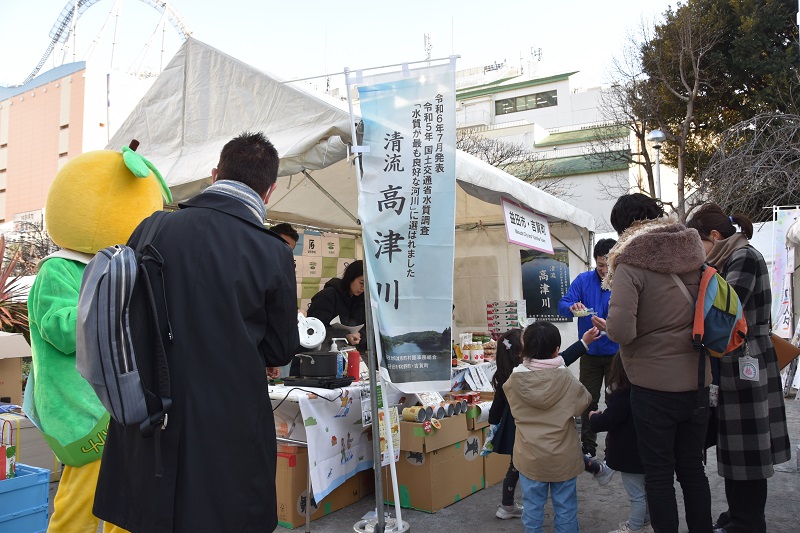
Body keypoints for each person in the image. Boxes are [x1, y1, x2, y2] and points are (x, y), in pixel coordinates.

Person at [93, 132, 300, 532]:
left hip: (150, 408)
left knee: (152, 516)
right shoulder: (273, 251)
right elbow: (279, 348)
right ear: (269, 190)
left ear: (213, 174)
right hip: (228, 419)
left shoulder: (152, 228)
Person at [604, 193, 713, 533]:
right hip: (698, 381)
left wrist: (609, 325)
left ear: (624, 228)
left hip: (653, 388)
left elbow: (621, 331)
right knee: (693, 470)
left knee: (660, 475)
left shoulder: (630, 262)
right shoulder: (694, 253)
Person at [686, 203, 791, 533]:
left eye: (698, 243)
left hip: (747, 361)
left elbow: (725, 312)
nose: (697, 252)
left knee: (748, 450)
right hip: (740, 360)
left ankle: (748, 522)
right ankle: (738, 515)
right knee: (737, 447)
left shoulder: (743, 256)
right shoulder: (733, 256)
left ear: (714, 237)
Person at [504, 321, 592, 533]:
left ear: (525, 348)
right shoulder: (566, 378)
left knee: (532, 511)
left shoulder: (514, 380)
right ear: (556, 350)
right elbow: (584, 402)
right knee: (566, 509)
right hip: (563, 456)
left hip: (530, 456)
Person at [558, 238, 619, 457]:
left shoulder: (623, 281)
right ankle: (588, 447)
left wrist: (610, 326)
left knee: (616, 399)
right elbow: (563, 305)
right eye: (600, 266)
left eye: (607, 265)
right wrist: (572, 307)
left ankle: (615, 446)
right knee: (588, 400)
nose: (604, 270)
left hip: (617, 354)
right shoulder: (583, 281)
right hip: (590, 352)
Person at [589, 354, 653, 533]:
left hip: (629, 456)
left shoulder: (622, 396)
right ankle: (646, 521)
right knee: (646, 491)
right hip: (648, 452)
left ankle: (634, 527)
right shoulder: (648, 393)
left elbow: (608, 421)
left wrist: (594, 418)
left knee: (636, 495)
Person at [306, 259, 366, 351]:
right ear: (351, 278)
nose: (363, 288)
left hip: (345, 352)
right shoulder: (328, 295)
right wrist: (344, 336)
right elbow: (313, 328)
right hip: (318, 353)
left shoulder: (359, 299)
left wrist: (358, 335)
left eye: (367, 285)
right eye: (361, 283)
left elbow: (364, 326)